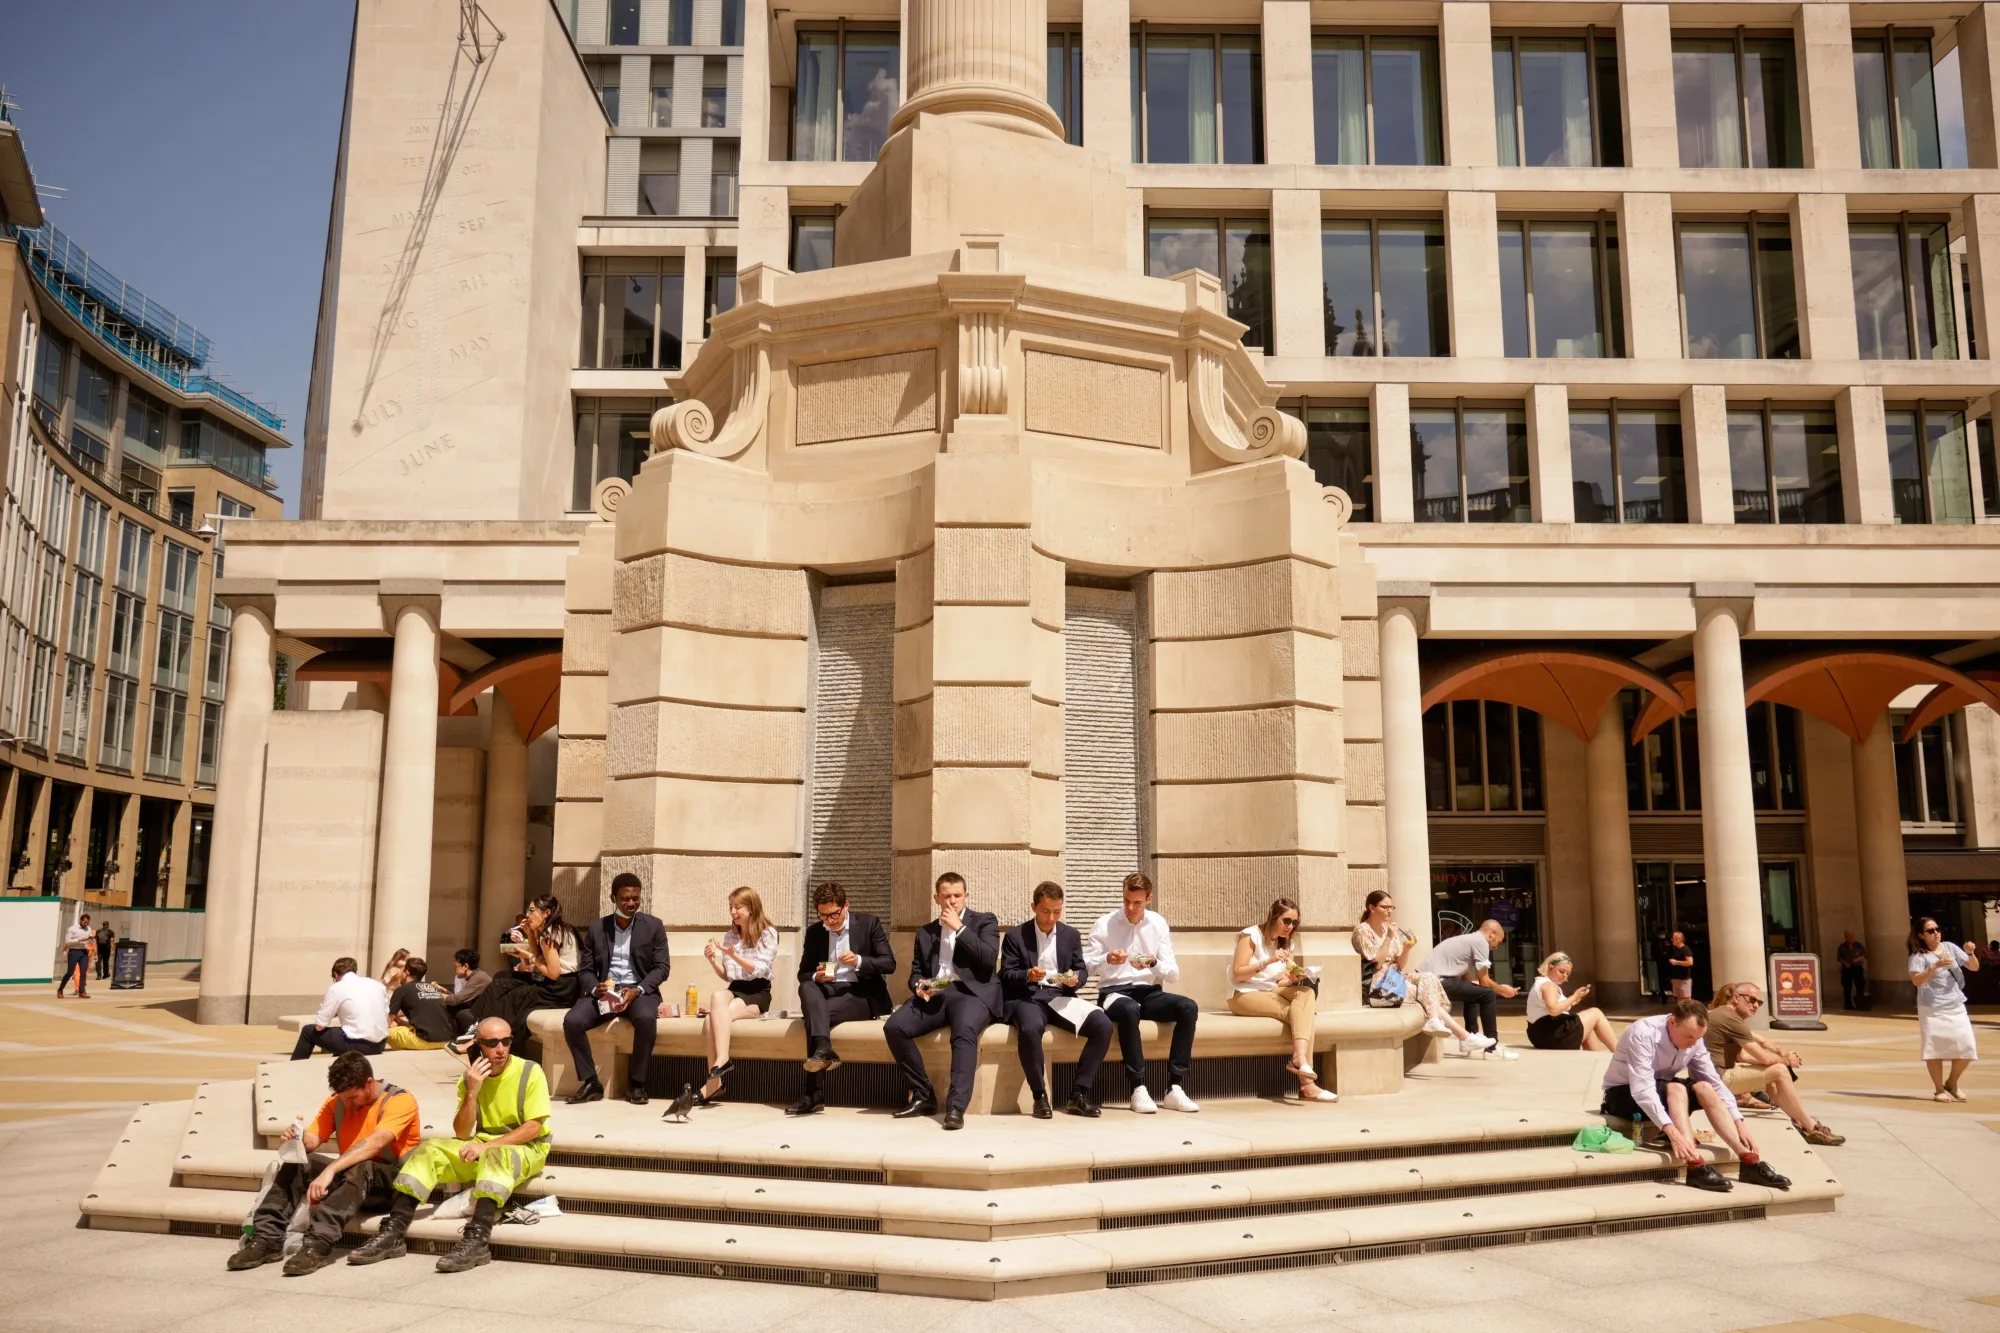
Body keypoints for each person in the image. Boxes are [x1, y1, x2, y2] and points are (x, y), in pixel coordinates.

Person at [347, 1017, 551, 1273]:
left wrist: (486, 1147)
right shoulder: (470, 1079)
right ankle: (394, 1230)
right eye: (492, 1043)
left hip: (528, 1148)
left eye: (506, 1041)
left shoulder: (530, 1071)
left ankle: (477, 1239)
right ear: (477, 1045)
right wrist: (473, 1091)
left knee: (496, 1155)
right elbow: (462, 1132)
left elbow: (533, 1128)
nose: (500, 1049)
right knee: (429, 1150)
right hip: (482, 1144)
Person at [225, 1051, 420, 1276]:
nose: (346, 1103)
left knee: (362, 1166)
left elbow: (374, 1144)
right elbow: (314, 1139)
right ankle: (266, 1238)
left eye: (352, 1098)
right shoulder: (338, 1101)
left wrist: (330, 1170)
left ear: (368, 1083)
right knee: (301, 1161)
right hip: (352, 1180)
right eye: (342, 1098)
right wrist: (297, 1140)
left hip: (392, 1185)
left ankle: (316, 1245)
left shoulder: (400, 1100)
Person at [1600, 999, 1792, 1194]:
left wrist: (1738, 1122)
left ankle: (1748, 1161)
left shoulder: (1695, 1038)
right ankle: (1695, 1166)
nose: (1693, 1042)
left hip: (1662, 1090)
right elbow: (1642, 1089)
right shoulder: (1643, 1033)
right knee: (1677, 1088)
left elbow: (1714, 1081)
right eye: (1689, 1037)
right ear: (1673, 1022)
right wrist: (1672, 1132)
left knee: (1705, 1088)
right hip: (1622, 1095)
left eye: (1698, 1038)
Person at [884, 872, 1002, 1130]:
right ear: (937, 898)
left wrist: (960, 928)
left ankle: (956, 1107)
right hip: (936, 993)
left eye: (957, 895)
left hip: (972, 993)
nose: (952, 901)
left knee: (964, 1031)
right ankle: (923, 1095)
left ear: (966, 896)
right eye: (946, 896)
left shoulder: (984, 921)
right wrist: (918, 985)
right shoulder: (926, 932)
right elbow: (916, 970)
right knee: (894, 1027)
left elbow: (988, 960)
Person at [1087, 872, 1200, 1114]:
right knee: (1129, 1009)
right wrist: (1107, 958)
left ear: (1149, 899)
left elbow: (1173, 974)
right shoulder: (1104, 923)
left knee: (1188, 1007)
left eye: (1137, 903)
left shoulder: (1158, 923)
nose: (1130, 908)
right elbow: (1085, 965)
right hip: (1113, 993)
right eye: (1126, 900)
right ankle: (1137, 1088)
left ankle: (1175, 1087)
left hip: (1147, 992)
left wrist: (1153, 964)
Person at [1001, 882, 1115, 1118]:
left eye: (1057, 911)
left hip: (1060, 995)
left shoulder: (1070, 935)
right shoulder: (1015, 935)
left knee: (1103, 1025)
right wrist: (1027, 975)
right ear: (1034, 907)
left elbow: (1081, 969)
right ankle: (1039, 1097)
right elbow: (1005, 974)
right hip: (1029, 996)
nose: (1051, 918)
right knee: (1030, 1028)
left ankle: (1078, 1094)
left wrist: (1076, 979)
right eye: (1045, 911)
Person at [787, 881, 896, 1117]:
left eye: (834, 914)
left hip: (862, 994)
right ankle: (824, 1049)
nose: (830, 920)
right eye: (823, 916)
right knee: (807, 986)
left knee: (815, 1018)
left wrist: (859, 961)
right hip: (828, 990)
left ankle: (813, 1093)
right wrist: (816, 975)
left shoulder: (868, 923)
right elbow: (803, 973)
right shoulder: (815, 932)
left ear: (846, 905)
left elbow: (889, 963)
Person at [562, 873, 671, 1106]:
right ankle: (591, 1082)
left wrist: (638, 990)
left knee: (645, 1019)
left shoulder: (653, 926)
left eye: (635, 898)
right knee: (572, 1021)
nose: (631, 903)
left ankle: (637, 1084)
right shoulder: (597, 928)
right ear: (613, 898)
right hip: (607, 993)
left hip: (639, 992)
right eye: (625, 899)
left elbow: (662, 968)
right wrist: (595, 989)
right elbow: (585, 970)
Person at [1705, 982, 1844, 1146]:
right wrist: (1786, 1060)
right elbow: (1764, 1058)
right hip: (1717, 1079)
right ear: (1736, 998)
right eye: (1752, 1000)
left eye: (1759, 1002)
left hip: (1712, 1077)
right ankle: (1811, 1126)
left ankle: (1797, 1119)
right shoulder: (1731, 1019)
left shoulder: (1723, 1014)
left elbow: (1741, 1056)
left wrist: (1777, 1058)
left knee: (1772, 1073)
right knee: (1779, 1070)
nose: (1756, 1006)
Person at [1228, 898, 1335, 1102]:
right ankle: (1307, 1085)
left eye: (1295, 922)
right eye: (1286, 921)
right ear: (1273, 917)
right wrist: (1269, 961)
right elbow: (1238, 974)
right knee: (1302, 1016)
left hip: (1271, 990)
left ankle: (1299, 1059)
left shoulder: (1286, 942)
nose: (1290, 927)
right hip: (1244, 994)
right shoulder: (1250, 935)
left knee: (1306, 993)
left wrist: (1294, 978)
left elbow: (1279, 981)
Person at [1351, 890, 1485, 1049]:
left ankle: (1440, 1023)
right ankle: (1463, 1036)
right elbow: (1377, 964)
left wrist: (1407, 949)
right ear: (1372, 908)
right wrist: (1388, 938)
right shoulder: (1362, 930)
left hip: (1395, 976)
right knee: (1427, 995)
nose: (1389, 911)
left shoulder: (1388, 928)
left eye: (1392, 907)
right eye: (1385, 907)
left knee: (1428, 977)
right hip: (1378, 983)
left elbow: (1400, 965)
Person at [695, 886, 778, 1106]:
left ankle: (714, 1080)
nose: (733, 911)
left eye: (738, 907)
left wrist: (735, 956)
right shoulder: (730, 935)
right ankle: (719, 1068)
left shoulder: (768, 933)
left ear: (751, 908)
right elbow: (728, 976)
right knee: (717, 996)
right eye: (730, 906)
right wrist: (712, 961)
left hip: (757, 991)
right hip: (736, 988)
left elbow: (759, 969)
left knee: (711, 1020)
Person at [463, 895, 581, 1045]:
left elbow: (553, 973)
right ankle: (479, 1024)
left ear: (546, 913)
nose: (527, 915)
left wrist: (529, 957)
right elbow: (539, 956)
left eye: (532, 910)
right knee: (501, 979)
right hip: (555, 983)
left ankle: (484, 1036)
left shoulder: (550, 935)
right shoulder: (551, 930)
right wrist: (530, 933)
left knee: (513, 997)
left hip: (561, 989)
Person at [1415, 919, 1518, 1059]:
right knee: (1488, 995)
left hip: (1429, 981)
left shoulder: (1469, 940)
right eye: (1498, 942)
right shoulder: (1481, 942)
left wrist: (1492, 987)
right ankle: (1492, 1049)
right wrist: (1503, 990)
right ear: (1492, 934)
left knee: (1473, 992)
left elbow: (1470, 981)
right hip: (1434, 982)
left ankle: (1473, 1042)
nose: (1496, 947)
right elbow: (1485, 981)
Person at [1909, 917, 1980, 1103]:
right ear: (1921, 935)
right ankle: (1939, 1089)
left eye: (1937, 929)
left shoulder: (1949, 947)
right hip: (1931, 1008)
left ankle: (1952, 1082)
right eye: (1930, 931)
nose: (1936, 933)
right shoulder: (1918, 956)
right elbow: (1916, 980)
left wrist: (1970, 953)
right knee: (1934, 1050)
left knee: (1967, 1047)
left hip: (1956, 1004)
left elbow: (1974, 967)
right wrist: (1935, 966)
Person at [290, 957, 390, 1059]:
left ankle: (294, 1066)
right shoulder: (378, 985)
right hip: (380, 1045)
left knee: (308, 1031)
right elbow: (386, 1018)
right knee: (341, 1036)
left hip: (357, 1044)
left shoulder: (336, 988)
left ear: (335, 974)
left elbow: (320, 1026)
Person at [1526, 953, 1617, 1052]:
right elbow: (1553, 1010)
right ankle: (1620, 1053)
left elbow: (1550, 1007)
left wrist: (1573, 1001)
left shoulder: (1541, 982)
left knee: (1585, 1025)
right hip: (1552, 1035)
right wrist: (1574, 996)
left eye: (1567, 973)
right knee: (1596, 1013)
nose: (1564, 976)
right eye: (1561, 971)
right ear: (1550, 967)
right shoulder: (1549, 986)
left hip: (1541, 1034)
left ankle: (1594, 1056)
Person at [386, 957, 457, 1051]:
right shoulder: (433, 988)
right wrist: (400, 1021)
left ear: (407, 972)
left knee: (386, 1032)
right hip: (447, 1040)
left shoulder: (401, 990)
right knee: (404, 1026)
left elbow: (388, 1021)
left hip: (426, 1041)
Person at [445, 949, 492, 1027]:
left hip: (484, 1016)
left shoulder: (479, 977)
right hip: (479, 1011)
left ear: (465, 966)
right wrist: (446, 992)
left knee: (459, 1013)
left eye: (456, 967)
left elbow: (455, 1000)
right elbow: (462, 998)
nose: (455, 970)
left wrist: (434, 994)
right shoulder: (476, 976)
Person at [57, 914, 93, 999]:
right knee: (70, 972)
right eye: (84, 922)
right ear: (81, 920)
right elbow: (67, 941)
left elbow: (90, 938)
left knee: (83, 972)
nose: (86, 924)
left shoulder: (89, 929)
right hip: (74, 952)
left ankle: (82, 991)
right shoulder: (73, 929)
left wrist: (91, 940)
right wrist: (79, 940)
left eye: (87, 923)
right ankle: (60, 990)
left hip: (84, 952)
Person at [1836, 932, 1868, 1010]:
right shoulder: (1842, 947)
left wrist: (1857, 959)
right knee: (1847, 986)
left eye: (1852, 936)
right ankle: (1848, 1005)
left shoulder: (1858, 946)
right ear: (1846, 938)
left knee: (1860, 985)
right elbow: (1839, 958)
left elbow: (1864, 955)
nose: (1852, 938)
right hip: (1847, 968)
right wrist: (1845, 963)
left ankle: (1860, 1004)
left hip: (1857, 967)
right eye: (1850, 937)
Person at [1665, 931, 1695, 999]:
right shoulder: (1675, 949)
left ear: (1678, 939)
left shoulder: (1686, 949)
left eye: (1673, 938)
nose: (1672, 940)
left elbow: (1690, 962)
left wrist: (1677, 962)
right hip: (1676, 978)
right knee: (1678, 999)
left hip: (1684, 979)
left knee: (1686, 999)